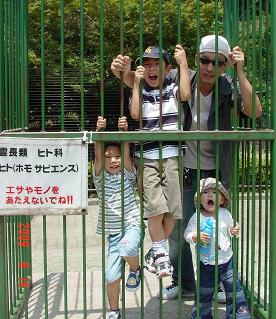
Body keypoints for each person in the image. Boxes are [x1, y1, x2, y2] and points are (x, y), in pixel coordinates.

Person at [110, 35, 262, 301]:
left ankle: (216, 283)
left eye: (218, 63)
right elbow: (149, 78)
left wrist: (241, 72)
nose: (210, 68)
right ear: (197, 59)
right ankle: (183, 282)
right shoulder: (184, 77)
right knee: (179, 231)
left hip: (215, 172)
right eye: (205, 60)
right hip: (182, 166)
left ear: (225, 65)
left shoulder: (228, 85)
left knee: (216, 230)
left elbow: (255, 111)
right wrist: (122, 72)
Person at [129, 45, 191, 278]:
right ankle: (161, 254)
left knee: (173, 211)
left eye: (157, 64)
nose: (152, 69)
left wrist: (184, 63)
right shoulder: (141, 91)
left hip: (173, 156)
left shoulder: (173, 87)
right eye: (147, 65)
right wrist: (135, 83)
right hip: (147, 158)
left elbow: (185, 94)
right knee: (154, 208)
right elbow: (135, 114)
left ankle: (155, 250)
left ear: (167, 69)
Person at [93, 116, 141, 319]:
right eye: (108, 157)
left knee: (128, 247)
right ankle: (114, 311)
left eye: (117, 156)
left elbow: (127, 152)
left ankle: (136, 268)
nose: (113, 160)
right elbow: (96, 153)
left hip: (131, 225)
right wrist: (98, 132)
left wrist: (125, 131)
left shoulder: (128, 175)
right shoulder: (100, 178)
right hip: (113, 234)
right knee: (111, 277)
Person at [184, 177, 250, 318]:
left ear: (221, 200)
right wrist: (195, 236)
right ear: (199, 199)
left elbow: (232, 227)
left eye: (214, 192)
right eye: (205, 192)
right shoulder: (197, 217)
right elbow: (187, 234)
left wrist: (234, 230)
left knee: (234, 291)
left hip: (227, 262)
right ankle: (202, 315)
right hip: (206, 264)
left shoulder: (225, 214)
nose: (210, 195)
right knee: (204, 294)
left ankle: (239, 314)